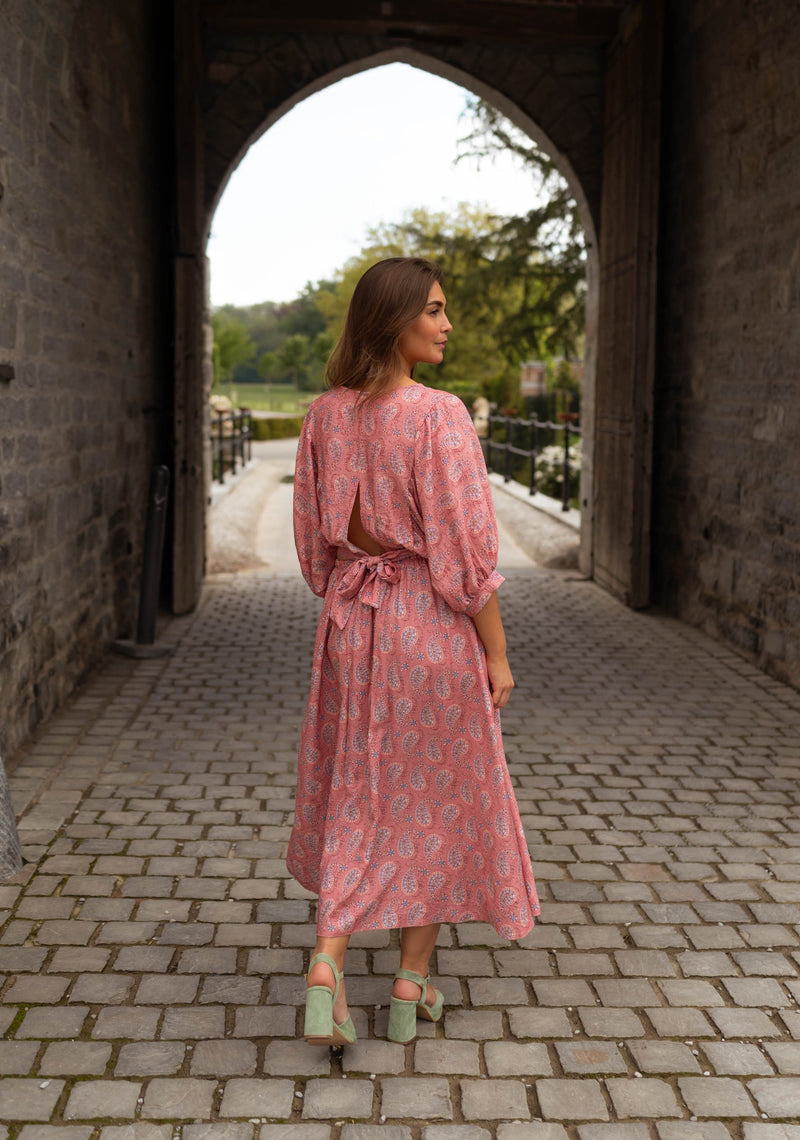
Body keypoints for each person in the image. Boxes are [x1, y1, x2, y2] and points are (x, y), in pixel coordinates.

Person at [287, 257, 539, 1046]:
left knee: (358, 790)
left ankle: (330, 964)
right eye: (432, 310)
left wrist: (348, 599)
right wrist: (496, 656)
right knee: (430, 801)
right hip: (426, 628)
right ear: (392, 319)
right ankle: (408, 981)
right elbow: (467, 559)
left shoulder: (323, 416)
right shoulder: (437, 415)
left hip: (350, 626)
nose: (446, 324)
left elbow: (310, 550)